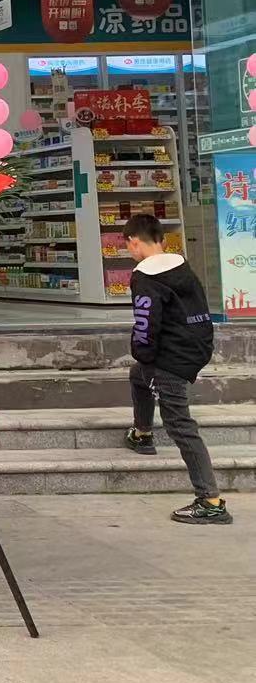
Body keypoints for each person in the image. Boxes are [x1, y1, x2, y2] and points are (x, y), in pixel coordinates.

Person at [121, 213, 230, 525]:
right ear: (161, 239)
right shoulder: (182, 266)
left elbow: (145, 324)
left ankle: (210, 501)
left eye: (128, 245)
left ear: (134, 242)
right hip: (196, 347)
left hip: (170, 358)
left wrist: (145, 356)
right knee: (137, 376)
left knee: (180, 425)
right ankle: (142, 433)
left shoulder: (145, 277)